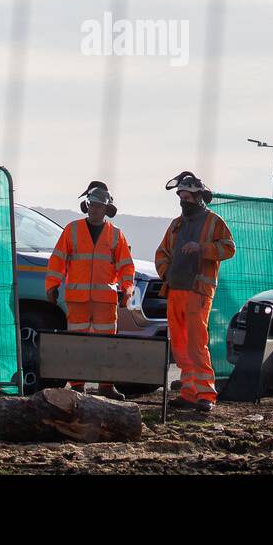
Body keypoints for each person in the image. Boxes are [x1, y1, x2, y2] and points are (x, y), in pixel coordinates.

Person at [44, 180, 136, 400]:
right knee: (77, 342)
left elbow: (125, 266)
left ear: (107, 209)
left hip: (105, 300)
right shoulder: (72, 230)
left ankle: (106, 385)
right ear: (86, 206)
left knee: (107, 344)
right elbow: (58, 260)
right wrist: (52, 285)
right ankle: (77, 385)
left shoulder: (116, 234)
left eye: (98, 205)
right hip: (78, 299)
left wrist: (127, 289)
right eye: (91, 204)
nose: (93, 208)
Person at [155, 171, 235, 413]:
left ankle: (206, 394)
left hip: (198, 291)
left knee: (196, 343)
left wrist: (201, 248)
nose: (183, 201)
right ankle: (189, 392)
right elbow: (162, 254)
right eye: (181, 196)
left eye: (187, 196)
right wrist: (166, 273)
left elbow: (229, 248)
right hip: (175, 290)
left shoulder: (213, 222)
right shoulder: (177, 224)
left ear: (199, 196)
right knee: (180, 344)